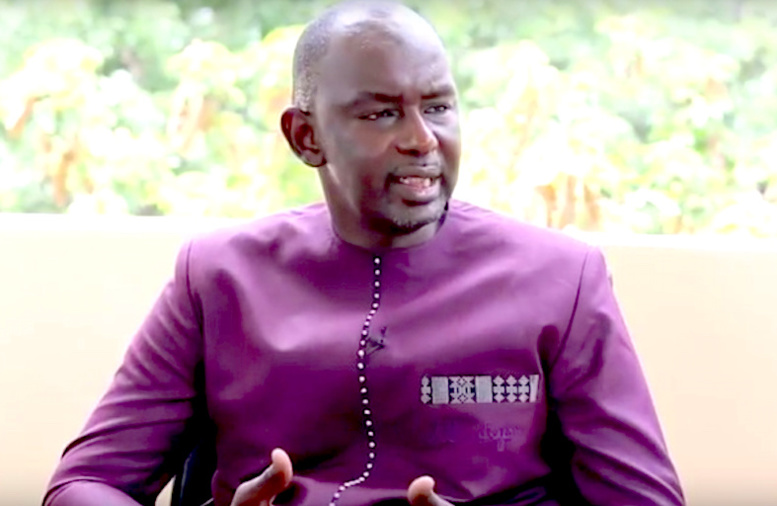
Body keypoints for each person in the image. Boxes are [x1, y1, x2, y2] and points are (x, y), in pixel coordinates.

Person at [43, 1, 685, 505]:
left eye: (438, 106)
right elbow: (84, 484)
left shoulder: (562, 279)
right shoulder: (217, 276)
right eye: (381, 115)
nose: (421, 139)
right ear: (306, 137)